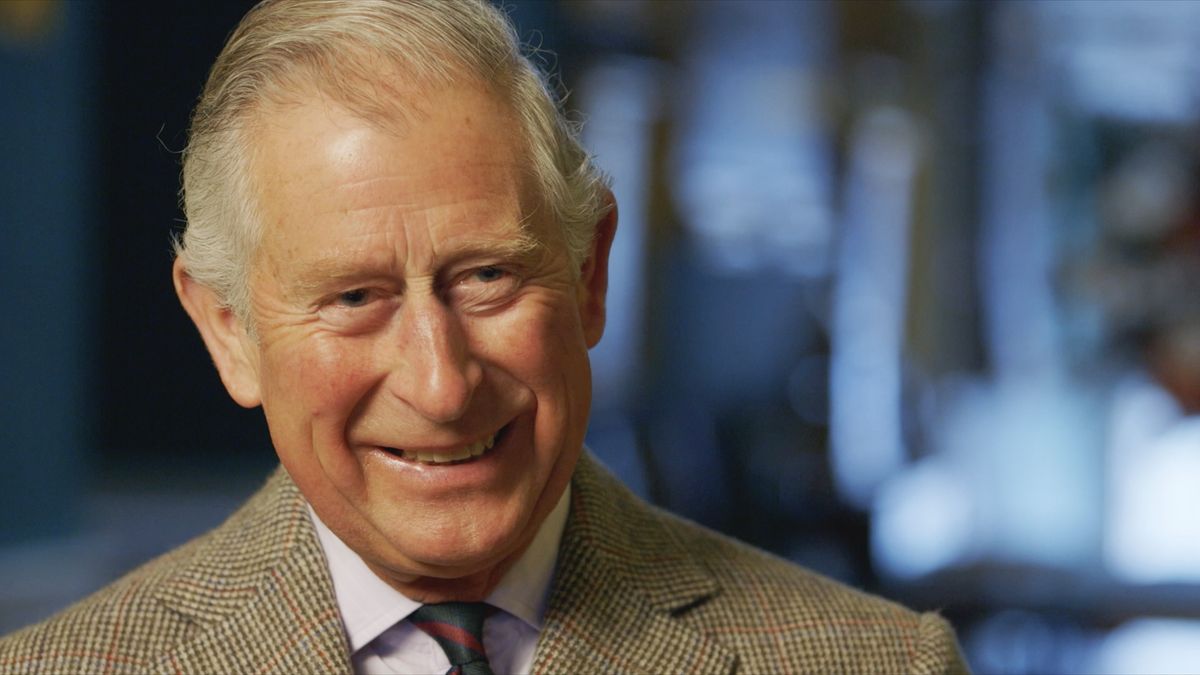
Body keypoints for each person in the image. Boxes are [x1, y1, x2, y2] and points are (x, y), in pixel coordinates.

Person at [0, 1, 968, 672]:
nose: (441, 383)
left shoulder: (877, 663)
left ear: (589, 277)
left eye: (487, 277)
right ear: (229, 333)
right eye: (353, 297)